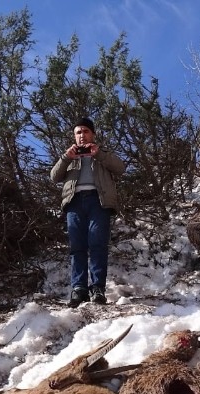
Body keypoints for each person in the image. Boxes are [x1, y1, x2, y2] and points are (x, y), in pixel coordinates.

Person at [50, 117, 126, 307]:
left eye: (85, 131)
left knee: (97, 243)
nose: (82, 135)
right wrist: (66, 157)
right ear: (74, 136)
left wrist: (98, 154)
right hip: (74, 202)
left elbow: (120, 168)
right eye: (78, 132)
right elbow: (54, 177)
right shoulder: (69, 155)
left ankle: (98, 288)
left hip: (98, 201)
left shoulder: (102, 153)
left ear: (93, 134)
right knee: (77, 246)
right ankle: (79, 288)